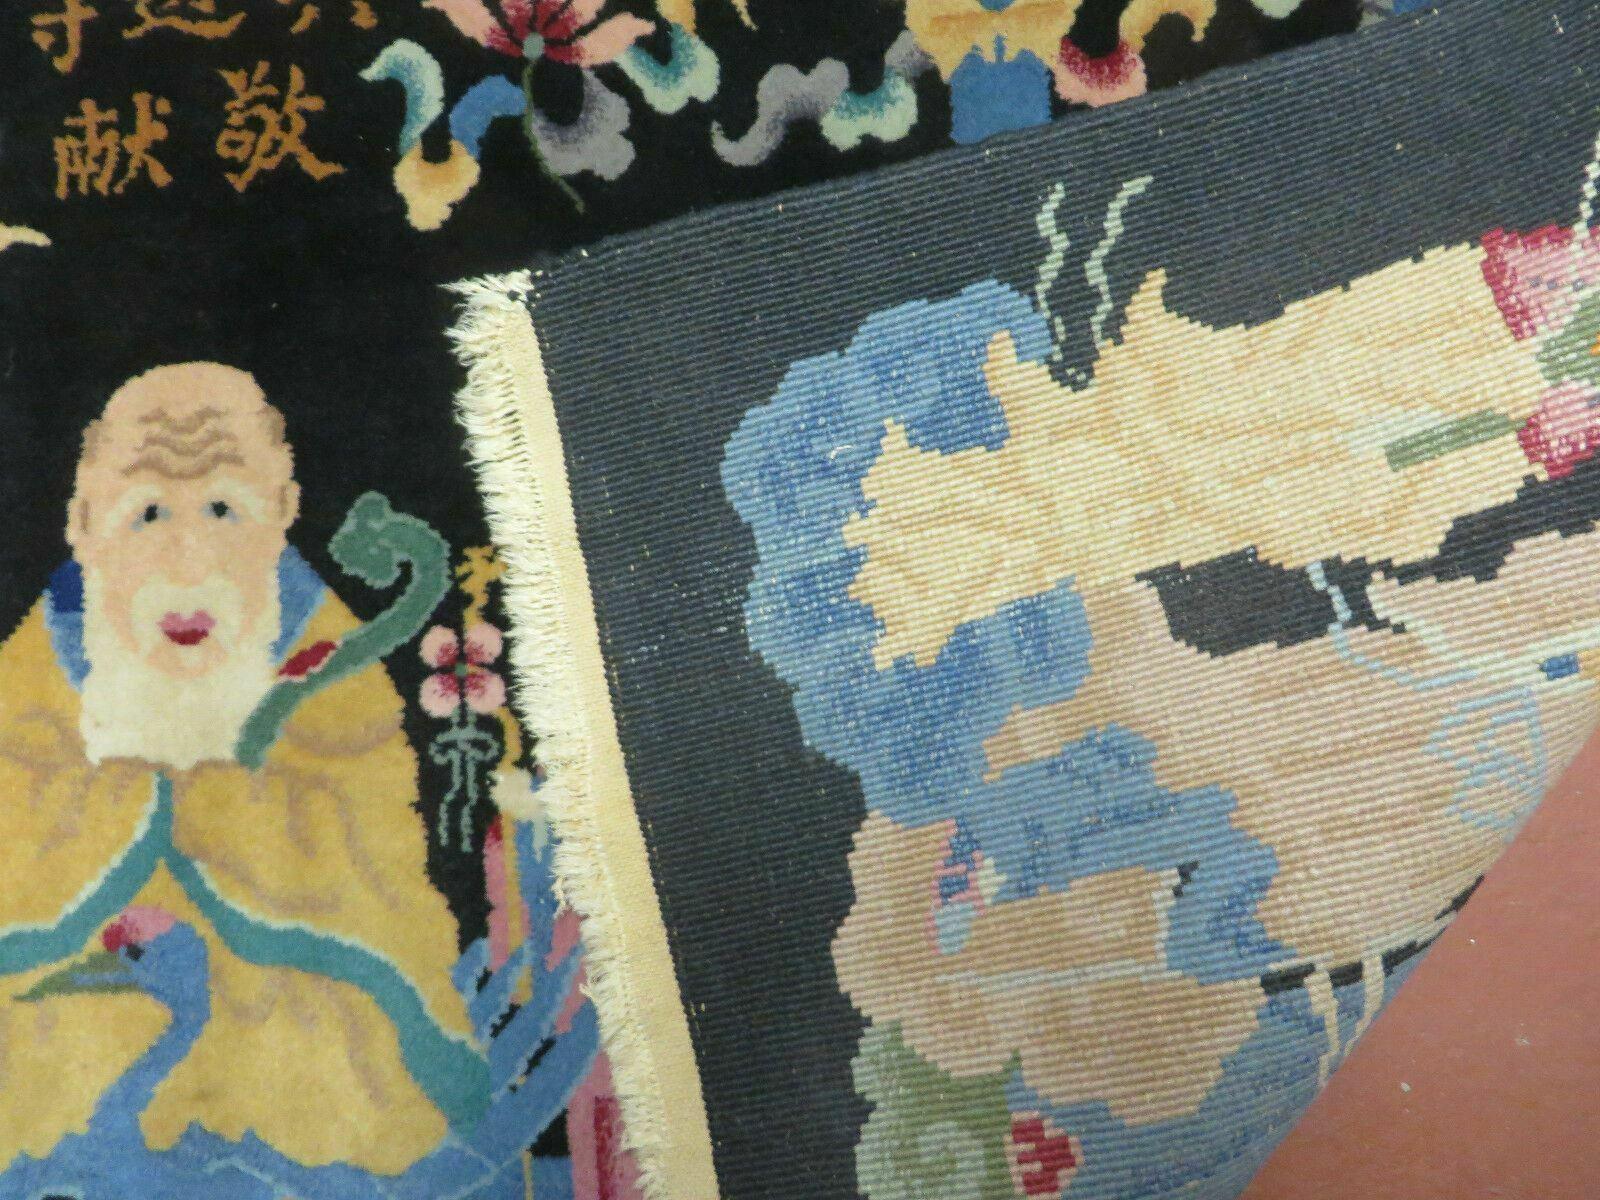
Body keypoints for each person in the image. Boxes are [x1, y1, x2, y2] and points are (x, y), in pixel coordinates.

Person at [0, 363, 474, 1174]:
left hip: (296, 1054)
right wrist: (151, 797)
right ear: (84, 524)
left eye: (224, 509)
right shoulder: (32, 672)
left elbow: (378, 863)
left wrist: (207, 803)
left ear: (282, 511)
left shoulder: (330, 668)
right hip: (75, 1046)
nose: (189, 558)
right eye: (148, 512)